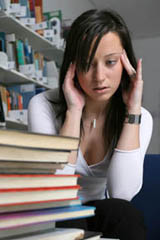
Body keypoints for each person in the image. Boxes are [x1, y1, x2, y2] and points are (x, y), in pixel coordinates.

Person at [28, 9, 153, 240]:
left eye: (110, 62)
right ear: (72, 65)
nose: (99, 77)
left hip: (101, 210)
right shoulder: (42, 105)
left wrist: (133, 110)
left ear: (125, 63)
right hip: (54, 208)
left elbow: (122, 193)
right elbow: (55, 189)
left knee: (124, 214)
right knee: (67, 216)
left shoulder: (140, 116)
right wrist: (74, 111)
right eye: (87, 63)